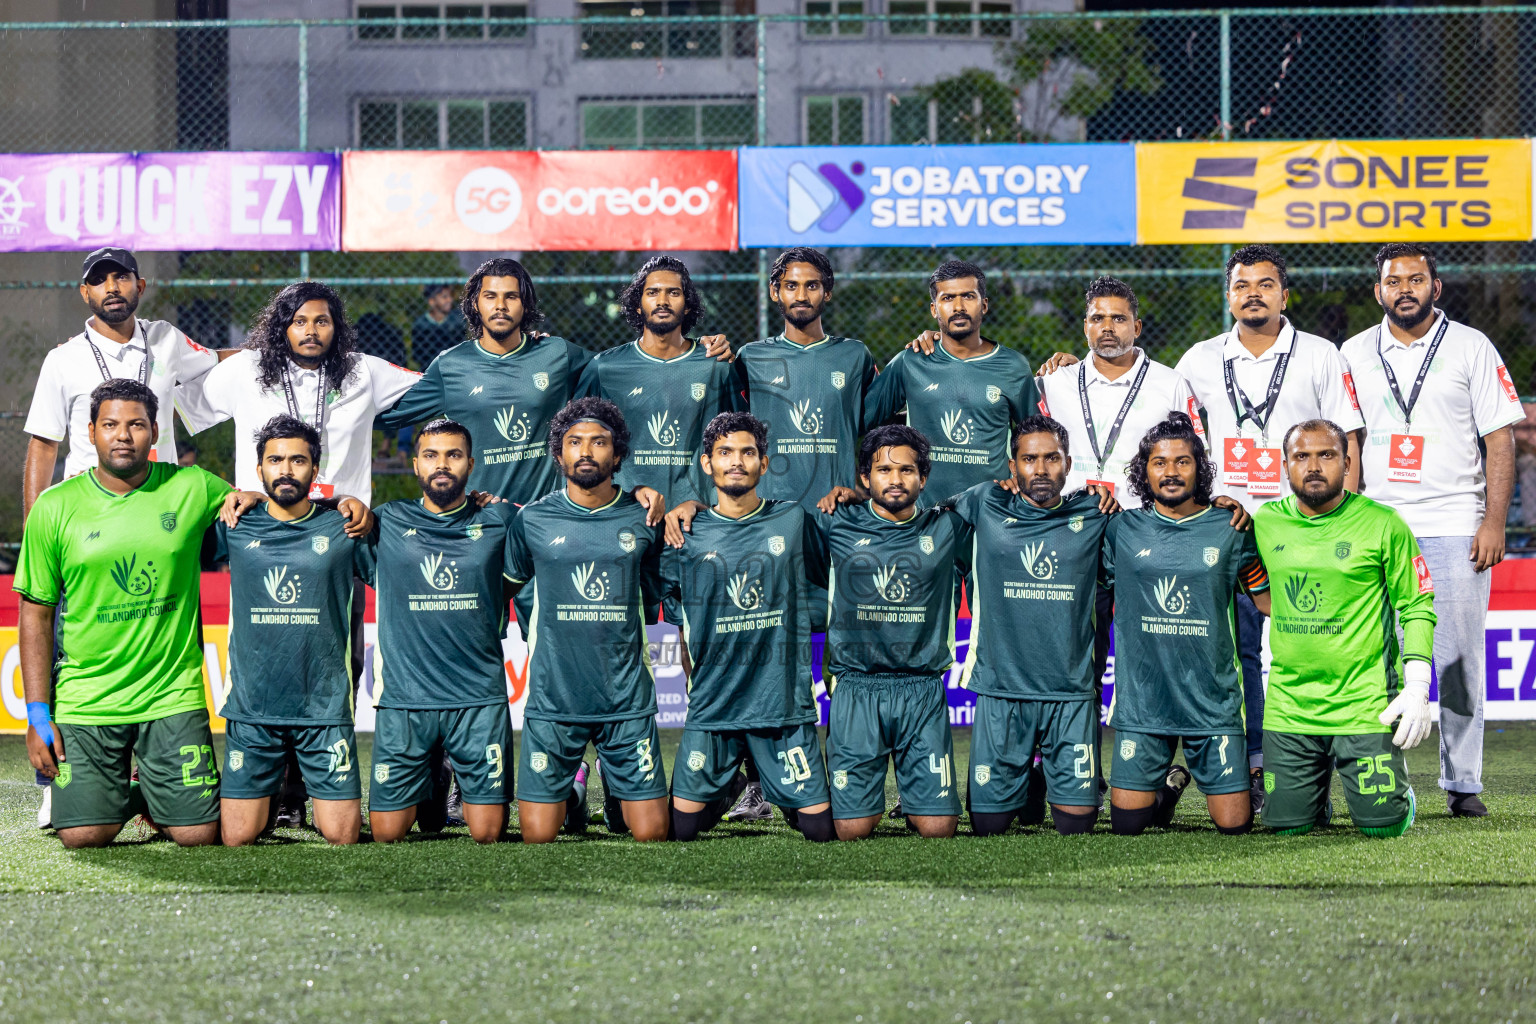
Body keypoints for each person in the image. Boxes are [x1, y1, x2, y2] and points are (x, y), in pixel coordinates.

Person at [1174, 244, 1366, 811]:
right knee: (1237, 657)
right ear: (1229, 294)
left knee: (1306, 649)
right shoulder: (1199, 360)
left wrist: (1341, 521)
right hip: (1227, 529)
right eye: (1241, 284)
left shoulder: (1321, 354)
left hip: (1302, 528)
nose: (1252, 293)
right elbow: (1184, 443)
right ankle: (1254, 768)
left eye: (1264, 284)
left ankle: (1314, 775)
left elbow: (1348, 439)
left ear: (1285, 293)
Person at [1340, 243, 1523, 817]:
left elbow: (1501, 438)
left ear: (1435, 288)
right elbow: (1351, 440)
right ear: (1379, 291)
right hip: (1378, 522)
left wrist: (1493, 521)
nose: (1405, 289)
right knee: (1372, 658)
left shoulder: (1472, 346)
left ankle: (1463, 782)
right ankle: (1378, 775)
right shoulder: (1352, 352)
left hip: (1453, 522)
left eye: (1416, 279)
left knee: (1459, 660)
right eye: (1393, 280)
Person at [17, 380, 238, 848]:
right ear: (91, 431)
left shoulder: (192, 486)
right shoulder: (54, 507)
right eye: (111, 425)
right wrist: (37, 715)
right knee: (82, 835)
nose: (123, 435)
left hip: (170, 692)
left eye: (136, 424)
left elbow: (251, 507)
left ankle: (161, 799)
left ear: (155, 432)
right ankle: (136, 795)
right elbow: (35, 613)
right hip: (88, 695)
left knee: (198, 834)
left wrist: (254, 499)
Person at [382, 257, 733, 506]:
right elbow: (389, 413)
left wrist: (703, 345)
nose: (501, 306)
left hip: (545, 513)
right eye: (491, 297)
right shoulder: (450, 365)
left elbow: (622, 369)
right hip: (478, 514)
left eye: (511, 297)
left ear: (525, 305)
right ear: (475, 304)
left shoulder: (558, 354)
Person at [658, 411, 834, 842]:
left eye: (747, 452)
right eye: (724, 453)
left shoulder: (792, 520)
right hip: (714, 706)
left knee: (820, 832)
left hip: (781, 705)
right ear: (707, 464)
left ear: (764, 463)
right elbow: (681, 617)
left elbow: (821, 576)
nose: (736, 461)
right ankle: (729, 787)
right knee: (678, 832)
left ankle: (784, 796)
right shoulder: (686, 532)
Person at [1255, 419, 1436, 837]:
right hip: (1290, 705)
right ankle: (1313, 798)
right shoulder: (1265, 522)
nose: (1314, 466)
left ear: (1348, 462)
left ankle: (1398, 797)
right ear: (1285, 466)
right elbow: (1256, 588)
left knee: (1383, 828)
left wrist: (1418, 684)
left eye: (1327, 455)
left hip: (1364, 704)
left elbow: (1417, 604)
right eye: (1302, 456)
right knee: (1285, 827)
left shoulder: (1384, 523)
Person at [504, 397, 670, 844]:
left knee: (652, 834)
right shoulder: (533, 519)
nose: (586, 452)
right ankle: (575, 793)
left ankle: (615, 786)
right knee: (537, 835)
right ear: (559, 455)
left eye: (599, 442)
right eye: (574, 442)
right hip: (555, 698)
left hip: (625, 698)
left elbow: (653, 591)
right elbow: (509, 587)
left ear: (617, 456)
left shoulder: (645, 517)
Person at [1102, 413, 1270, 837]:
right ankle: (1169, 790)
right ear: (1144, 471)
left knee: (1234, 825)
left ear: (1201, 468)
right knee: (1127, 824)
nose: (1171, 472)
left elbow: (1267, 601)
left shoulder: (1231, 528)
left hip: (1211, 704)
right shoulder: (1121, 529)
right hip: (1144, 704)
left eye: (1183, 461)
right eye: (1159, 462)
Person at [209, 415, 373, 846]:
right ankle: (272, 797)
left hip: (323, 708)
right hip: (252, 707)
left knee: (342, 835)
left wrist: (353, 504)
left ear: (314, 471)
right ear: (259, 469)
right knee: (237, 837)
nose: (285, 470)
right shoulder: (235, 525)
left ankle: (289, 797)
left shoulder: (344, 527)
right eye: (275, 460)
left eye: (298, 460)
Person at [356, 418, 518, 845]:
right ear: (415, 465)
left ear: (471, 464)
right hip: (406, 698)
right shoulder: (387, 522)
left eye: (453, 455)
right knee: (387, 834)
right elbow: (317, 520)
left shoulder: (500, 520)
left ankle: (443, 767)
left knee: (487, 833)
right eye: (431, 455)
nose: (441, 464)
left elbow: (551, 523)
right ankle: (434, 771)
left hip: (477, 697)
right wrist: (340, 499)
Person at [947, 417, 1110, 836]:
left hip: (1069, 694)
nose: (1040, 469)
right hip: (1002, 689)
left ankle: (1157, 793)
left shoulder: (1095, 514)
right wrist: (857, 499)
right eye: (1029, 459)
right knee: (987, 825)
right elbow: (913, 520)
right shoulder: (985, 502)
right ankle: (1030, 780)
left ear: (1068, 463)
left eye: (1051, 458)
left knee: (1078, 828)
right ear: (1012, 465)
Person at [817, 425, 968, 840]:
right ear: (864, 478)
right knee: (851, 830)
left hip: (921, 688)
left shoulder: (949, 528)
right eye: (883, 470)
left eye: (906, 470)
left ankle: (916, 798)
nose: (895, 480)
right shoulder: (836, 523)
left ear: (924, 476)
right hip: (856, 686)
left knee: (938, 829)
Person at [23, 247, 231, 517]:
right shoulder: (62, 359)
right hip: (91, 509)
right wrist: (32, 524)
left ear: (140, 286)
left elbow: (218, 360)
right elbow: (44, 444)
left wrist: (273, 351)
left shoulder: (165, 338)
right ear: (85, 293)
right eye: (98, 280)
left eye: (121, 276)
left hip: (161, 502)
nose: (111, 287)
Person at [176, 281, 420, 507]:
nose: (311, 331)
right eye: (300, 321)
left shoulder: (363, 370)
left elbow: (433, 387)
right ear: (283, 327)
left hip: (340, 523)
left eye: (322, 321)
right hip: (265, 524)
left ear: (336, 328)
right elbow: (176, 409)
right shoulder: (246, 368)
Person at [577, 256, 746, 508]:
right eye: (653, 292)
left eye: (673, 293)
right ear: (638, 304)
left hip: (699, 515)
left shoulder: (716, 366)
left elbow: (742, 439)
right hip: (626, 512)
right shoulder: (604, 368)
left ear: (688, 305)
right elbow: (575, 439)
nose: (663, 301)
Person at [865, 260, 1039, 502]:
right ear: (934, 309)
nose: (958, 307)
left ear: (984, 305)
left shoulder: (1013, 366)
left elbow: (1035, 437)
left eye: (968, 296)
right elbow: (862, 420)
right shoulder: (911, 361)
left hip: (993, 508)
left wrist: (1020, 476)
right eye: (947, 298)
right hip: (924, 511)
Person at [739, 247, 880, 510]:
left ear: (827, 292)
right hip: (768, 513)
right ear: (774, 292)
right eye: (791, 285)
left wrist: (865, 486)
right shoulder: (749, 357)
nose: (801, 296)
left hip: (836, 511)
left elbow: (881, 430)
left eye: (812, 286)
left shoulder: (855, 355)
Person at [410, 284, 467, 370]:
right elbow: (417, 355)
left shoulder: (456, 322)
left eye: (450, 296)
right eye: (444, 297)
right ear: (432, 301)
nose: (449, 300)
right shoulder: (421, 324)